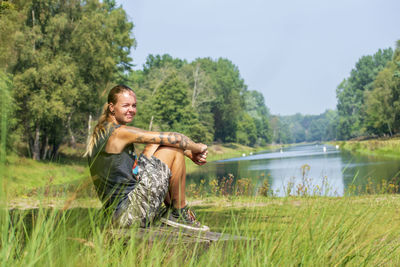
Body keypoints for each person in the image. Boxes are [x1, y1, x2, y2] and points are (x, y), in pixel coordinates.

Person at [85, 84, 209, 231]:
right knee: (173, 150)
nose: (131, 110)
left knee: (155, 144)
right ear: (112, 107)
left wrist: (187, 152)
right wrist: (198, 147)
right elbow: (175, 138)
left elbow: (158, 142)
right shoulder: (118, 133)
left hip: (119, 212)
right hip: (128, 214)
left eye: (134, 105)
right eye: (126, 105)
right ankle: (179, 213)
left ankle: (171, 213)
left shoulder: (104, 131)